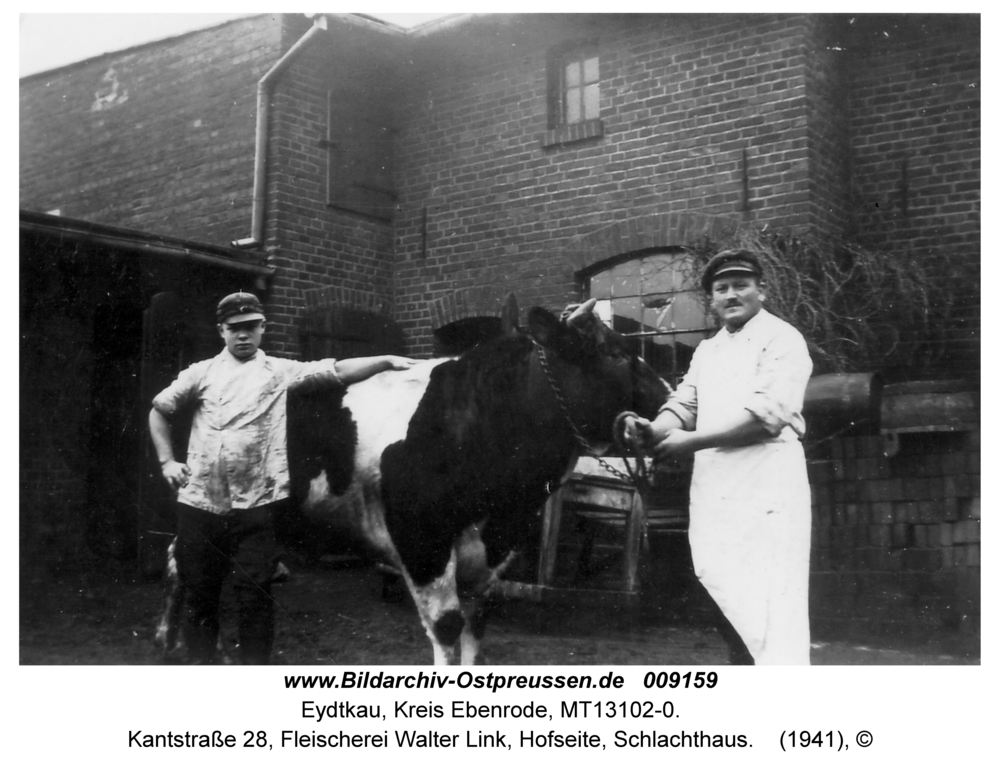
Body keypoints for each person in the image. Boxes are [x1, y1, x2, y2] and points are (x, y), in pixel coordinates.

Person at [148, 292, 415, 664]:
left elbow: (335, 370)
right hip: (201, 506)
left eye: (250, 327)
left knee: (255, 596)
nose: (243, 336)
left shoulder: (280, 372)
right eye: (234, 329)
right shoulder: (200, 373)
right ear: (221, 331)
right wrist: (166, 462)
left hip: (256, 507)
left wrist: (384, 360)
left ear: (262, 328)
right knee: (200, 597)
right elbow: (159, 412)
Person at [627, 249, 814, 665]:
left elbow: (765, 419)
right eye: (721, 288)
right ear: (711, 299)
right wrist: (651, 430)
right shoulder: (707, 351)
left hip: (767, 485)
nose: (732, 295)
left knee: (770, 605)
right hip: (717, 490)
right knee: (724, 593)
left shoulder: (783, 339)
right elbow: (685, 404)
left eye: (741, 285)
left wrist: (687, 444)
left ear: (761, 290)